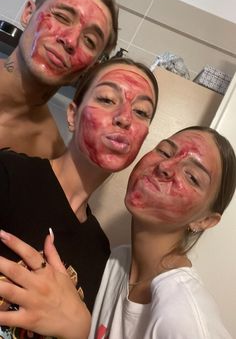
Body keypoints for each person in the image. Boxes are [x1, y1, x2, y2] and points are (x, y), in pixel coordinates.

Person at [0, 126, 235, 339]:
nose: (165, 167)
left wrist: (80, 330)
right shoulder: (113, 262)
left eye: (192, 176)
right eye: (164, 151)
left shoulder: (187, 319)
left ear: (205, 220)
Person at [0, 56, 158, 338]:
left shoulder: (100, 253)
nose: (124, 117)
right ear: (72, 114)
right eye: (108, 99)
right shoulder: (9, 174)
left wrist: (80, 331)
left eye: (142, 112)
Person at [0, 0, 120, 159]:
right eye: (62, 17)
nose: (70, 41)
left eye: (89, 41)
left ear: (90, 67)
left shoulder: (49, 156)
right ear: (28, 13)